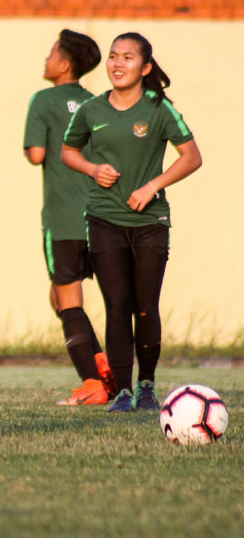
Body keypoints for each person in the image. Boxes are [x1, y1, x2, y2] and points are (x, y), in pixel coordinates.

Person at [61, 32, 202, 413]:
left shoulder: (159, 108)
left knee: (145, 306)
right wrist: (92, 169)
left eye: (127, 58)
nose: (117, 64)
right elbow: (67, 151)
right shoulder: (90, 109)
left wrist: (152, 186)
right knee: (117, 305)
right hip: (104, 220)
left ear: (145, 67)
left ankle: (147, 387)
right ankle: (122, 391)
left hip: (151, 222)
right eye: (112, 57)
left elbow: (191, 157)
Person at [23, 29, 116, 406]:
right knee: (63, 299)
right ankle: (105, 370)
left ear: (63, 64)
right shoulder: (98, 104)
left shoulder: (44, 100)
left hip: (62, 218)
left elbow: (36, 154)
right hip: (98, 215)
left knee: (68, 301)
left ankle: (93, 384)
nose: (45, 59)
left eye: (50, 53)